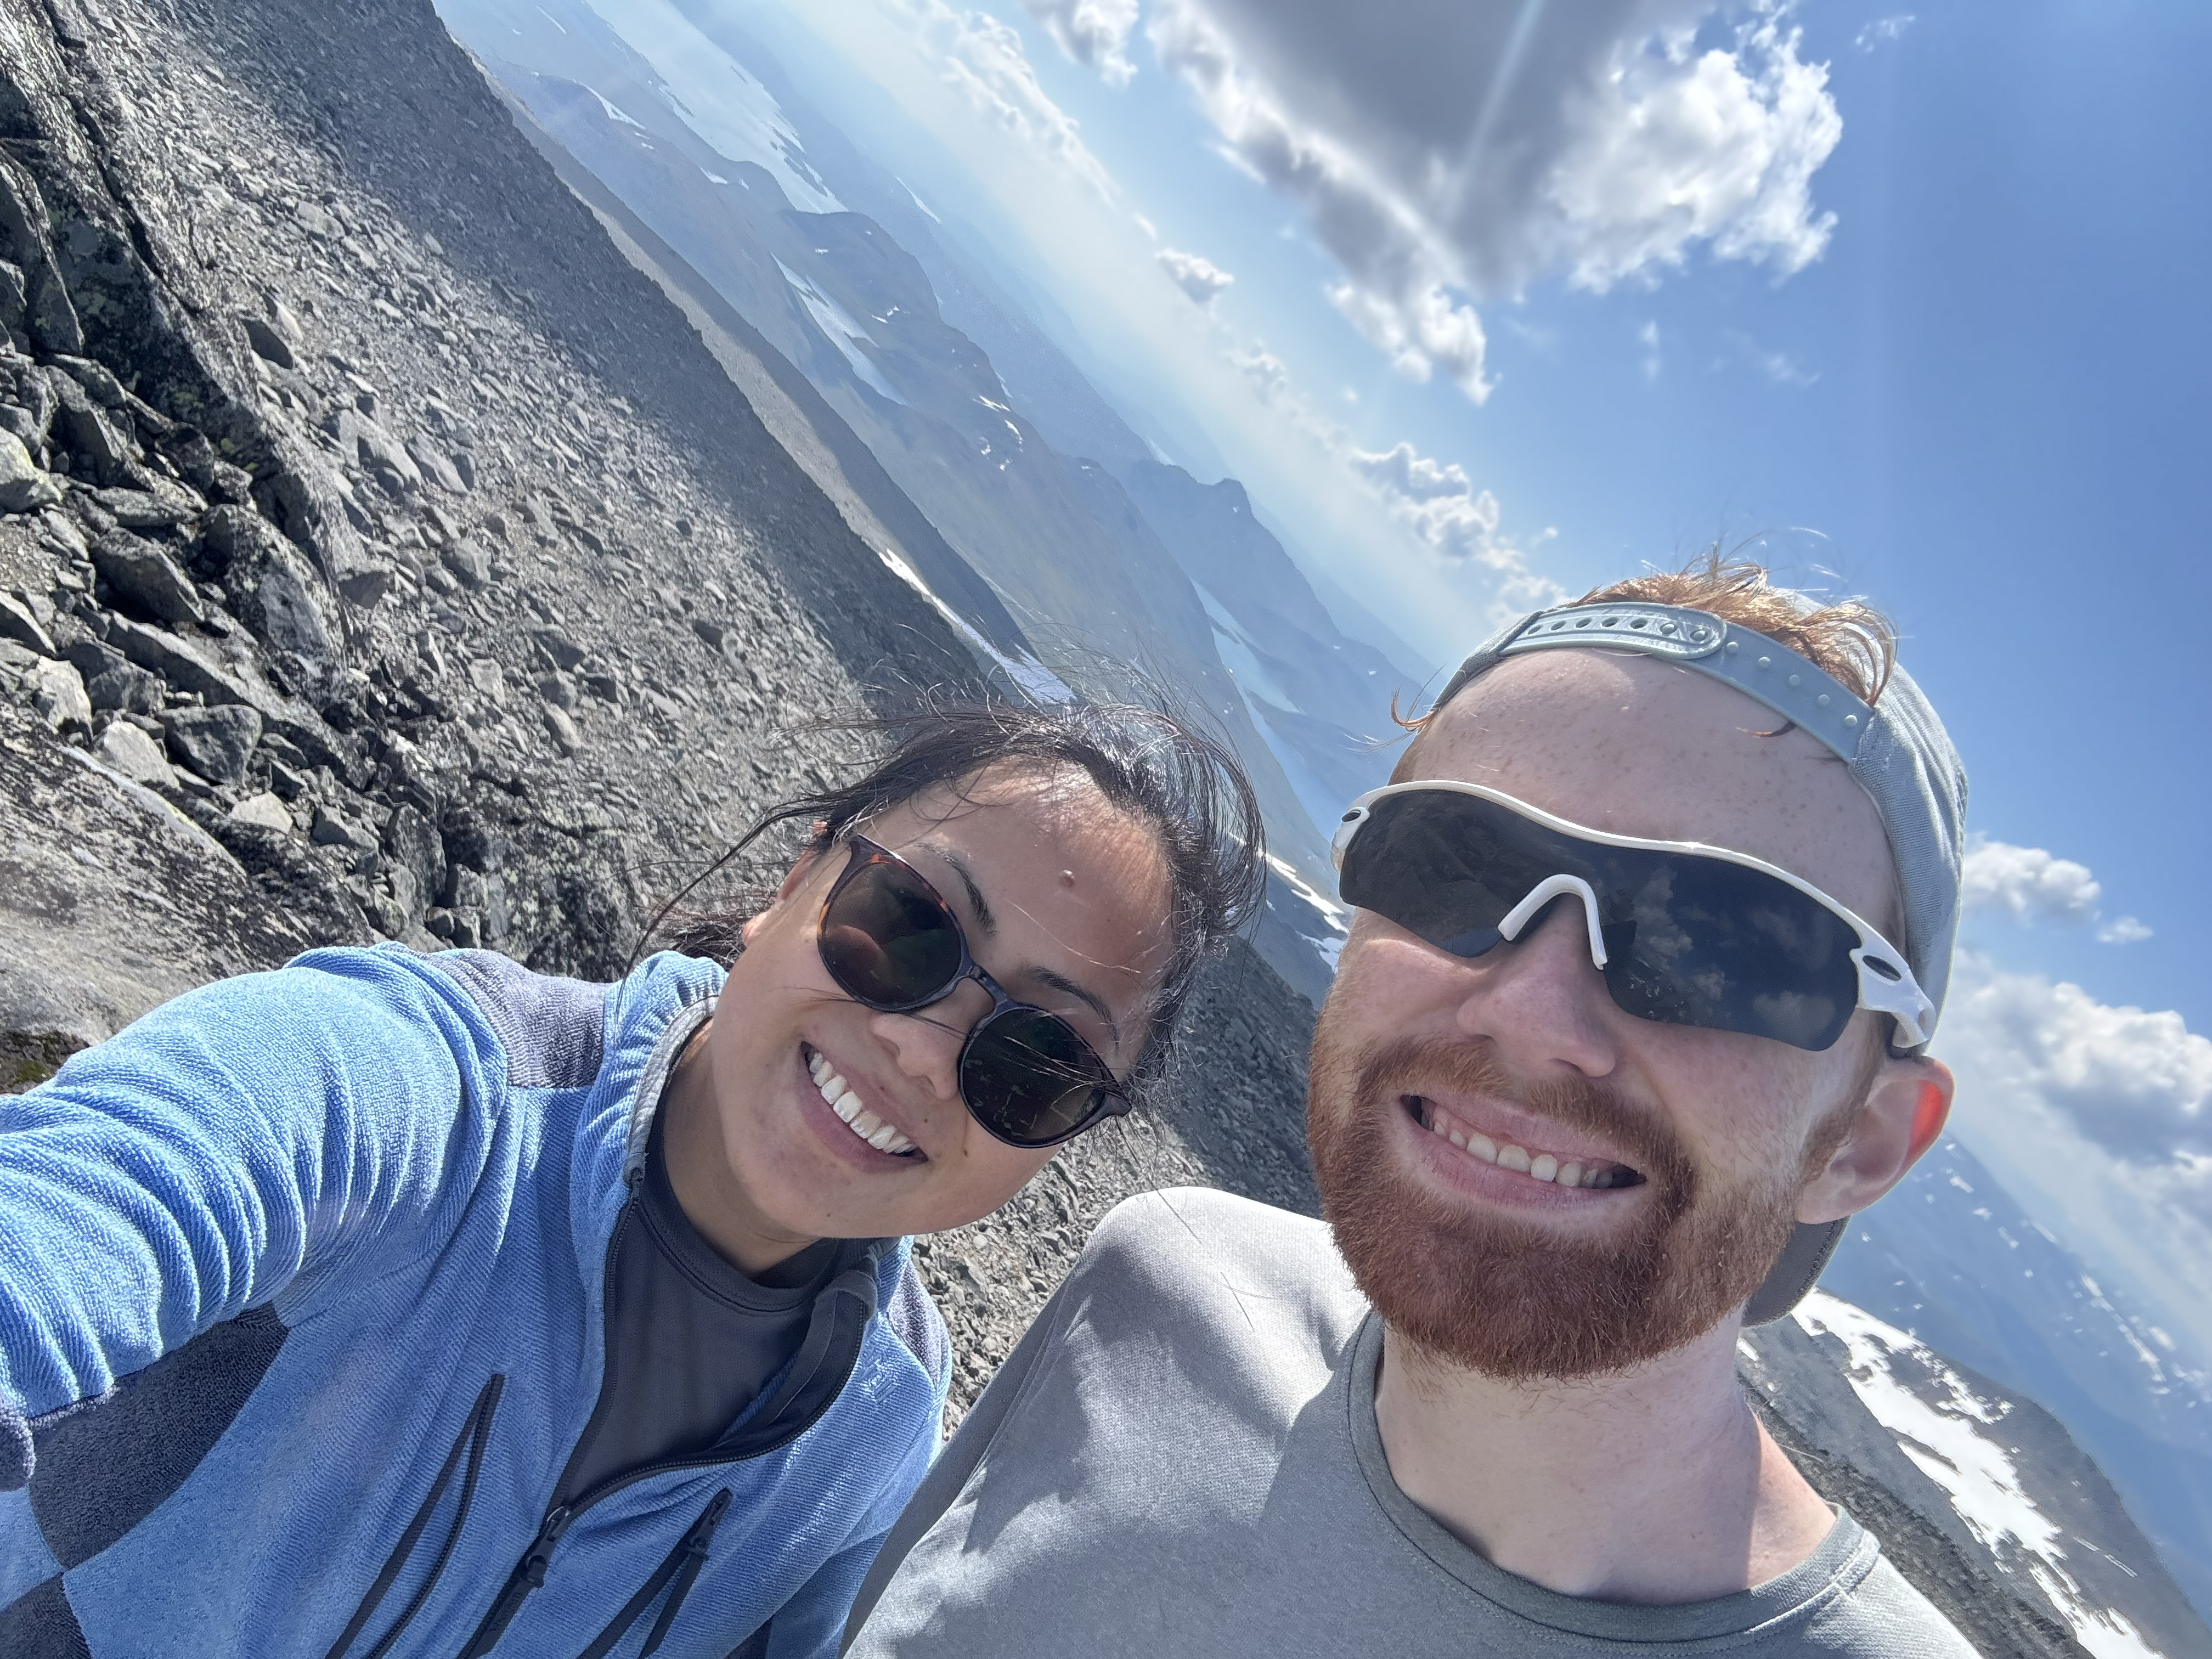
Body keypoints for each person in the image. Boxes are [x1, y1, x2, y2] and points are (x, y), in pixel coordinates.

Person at [844, 561, 1979, 1657]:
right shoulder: (1157, 1290)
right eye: (1454, 865)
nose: (1531, 1013)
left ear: (1866, 1141)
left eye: (1720, 949)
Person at [0, 696, 1264, 1658]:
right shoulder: (423, 1095)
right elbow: (68, 1221)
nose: (924, 1054)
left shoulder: (874, 1439)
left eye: (1039, 1062)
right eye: (908, 926)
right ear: (798, 882)